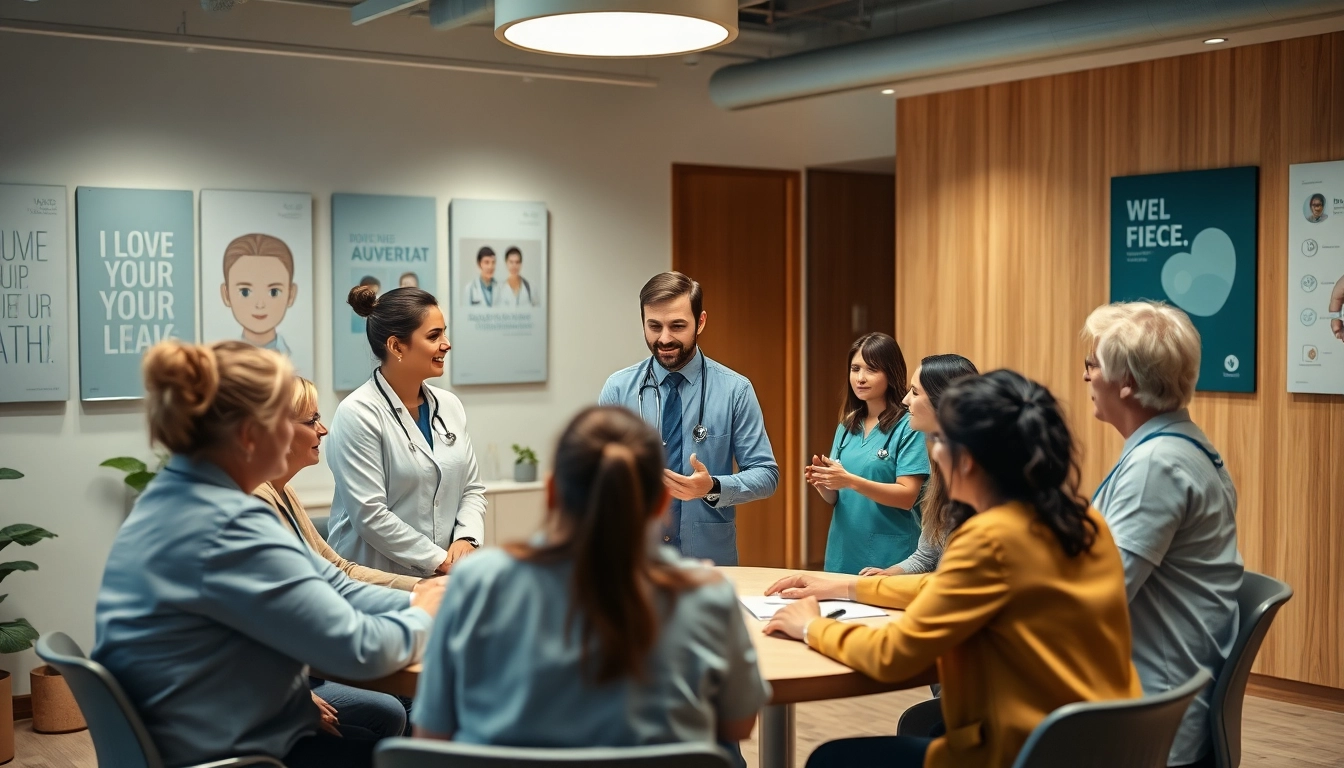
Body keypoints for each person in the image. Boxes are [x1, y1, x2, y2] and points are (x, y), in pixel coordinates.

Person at [761, 370, 1141, 768]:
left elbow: (894, 655)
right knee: (919, 723)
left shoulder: (988, 539)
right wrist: (846, 588)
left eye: (940, 443)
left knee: (833, 758)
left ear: (970, 459)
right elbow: (946, 586)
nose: (935, 456)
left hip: (1018, 753)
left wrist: (810, 626)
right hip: (1095, 745)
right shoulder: (1083, 523)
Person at [93, 340, 444, 768]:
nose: (320, 429)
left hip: (209, 734)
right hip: (229, 754)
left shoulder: (179, 497)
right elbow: (361, 649)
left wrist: (421, 600)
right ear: (249, 433)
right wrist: (424, 612)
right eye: (290, 418)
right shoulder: (225, 525)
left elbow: (331, 582)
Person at [411, 406, 770, 762]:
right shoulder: (705, 594)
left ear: (551, 492)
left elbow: (432, 734)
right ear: (662, 503)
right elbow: (738, 724)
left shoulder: (476, 584)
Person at [1082, 301, 1244, 768]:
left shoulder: (1156, 465)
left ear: (1127, 382)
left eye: (1094, 366)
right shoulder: (1183, 447)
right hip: (1154, 701)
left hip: (1146, 720)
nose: (1088, 378)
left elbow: (1097, 598)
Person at [254, 376, 424, 741]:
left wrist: (422, 589)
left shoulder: (282, 492)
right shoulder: (252, 504)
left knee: (400, 705)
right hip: (270, 687)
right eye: (311, 420)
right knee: (397, 707)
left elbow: (338, 572)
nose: (324, 429)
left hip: (291, 670)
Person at [597, 271, 779, 565]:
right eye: (654, 326)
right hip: (634, 563)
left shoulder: (735, 390)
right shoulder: (618, 389)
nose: (664, 338)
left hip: (708, 562)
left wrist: (713, 488)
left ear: (701, 322)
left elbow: (766, 475)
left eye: (677, 326)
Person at [327, 285, 487, 577]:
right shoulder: (358, 413)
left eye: (444, 333)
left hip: (442, 577)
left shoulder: (450, 406)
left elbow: (472, 489)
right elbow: (371, 516)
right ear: (397, 347)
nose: (447, 344)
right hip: (374, 581)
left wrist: (467, 538)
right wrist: (441, 560)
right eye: (433, 336)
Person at [806, 333, 929, 574]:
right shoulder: (847, 425)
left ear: (891, 373)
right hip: (844, 551)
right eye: (855, 368)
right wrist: (824, 483)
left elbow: (907, 497)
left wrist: (850, 481)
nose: (860, 378)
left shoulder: (909, 426)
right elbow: (837, 499)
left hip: (889, 557)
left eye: (871, 370)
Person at [860, 353, 979, 576]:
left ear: (943, 401)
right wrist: (886, 576)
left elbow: (954, 583)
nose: (905, 400)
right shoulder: (942, 470)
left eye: (915, 392)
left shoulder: (979, 483)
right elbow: (927, 555)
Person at [220, 233, 297, 355]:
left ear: (291, 294)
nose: (260, 304)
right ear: (226, 294)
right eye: (245, 292)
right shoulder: (222, 359)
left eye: (274, 292)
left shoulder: (293, 358)